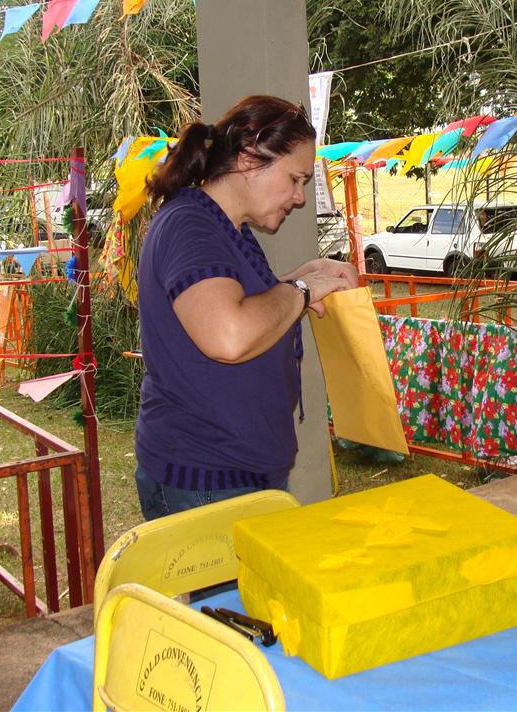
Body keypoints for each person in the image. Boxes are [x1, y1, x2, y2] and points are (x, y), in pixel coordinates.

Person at [134, 95, 358, 521]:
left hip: (238, 473)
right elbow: (229, 335)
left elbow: (243, 304)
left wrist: (308, 274)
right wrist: (302, 289)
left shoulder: (225, 228)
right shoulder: (190, 226)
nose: (299, 197)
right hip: (206, 478)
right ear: (249, 158)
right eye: (295, 179)